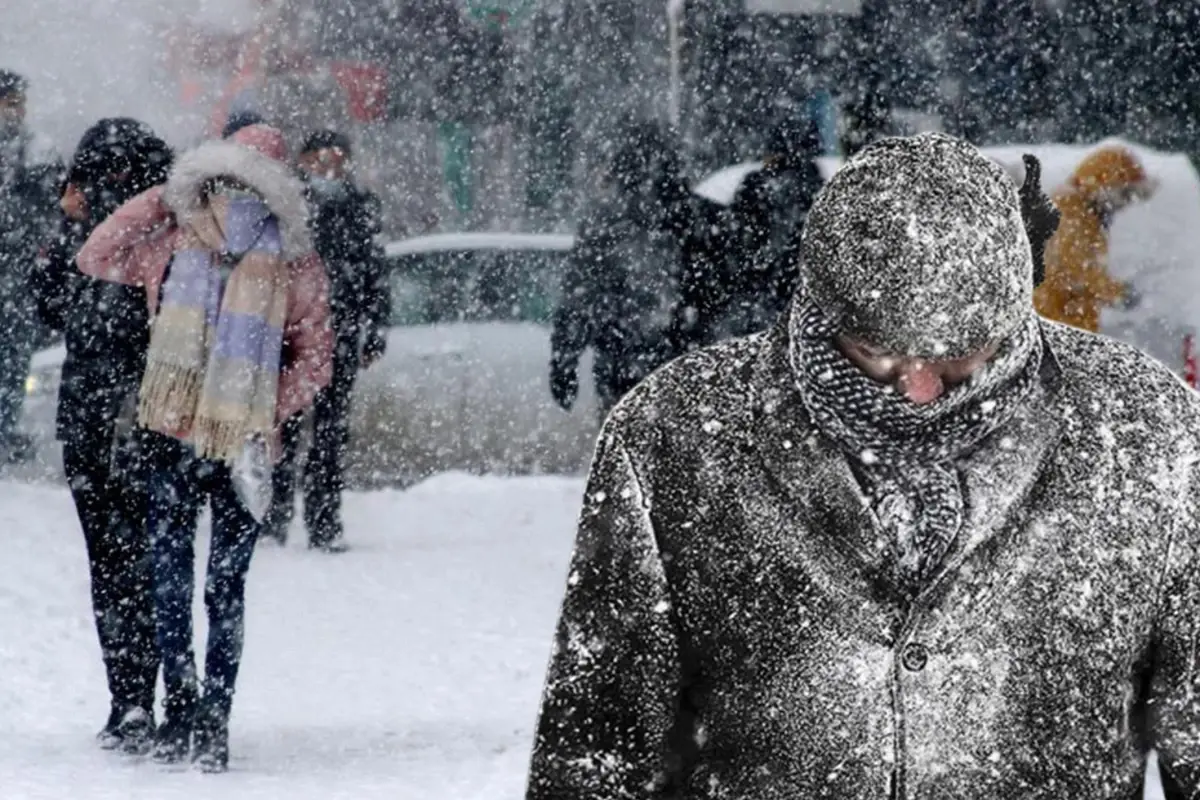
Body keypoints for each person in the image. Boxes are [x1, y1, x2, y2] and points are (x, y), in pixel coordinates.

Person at [527, 133, 1200, 797]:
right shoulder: (676, 435)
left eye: (957, 355)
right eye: (877, 353)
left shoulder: (1146, 431)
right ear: (824, 313)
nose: (920, 388)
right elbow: (601, 744)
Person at [77, 123, 332, 772]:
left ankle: (189, 710)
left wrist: (164, 197)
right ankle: (210, 717)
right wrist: (262, 406)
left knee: (175, 580)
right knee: (222, 587)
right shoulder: (288, 256)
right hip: (236, 446)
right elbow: (316, 359)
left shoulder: (176, 239)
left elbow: (97, 253)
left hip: (180, 438)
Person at [30, 118, 172, 754]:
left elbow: (52, 307)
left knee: (127, 565)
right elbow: (48, 307)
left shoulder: (157, 236)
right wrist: (66, 226)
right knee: (129, 563)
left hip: (133, 418)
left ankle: (139, 695)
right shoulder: (102, 235)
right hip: (115, 420)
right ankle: (138, 696)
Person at [262, 129, 389, 551]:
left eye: (339, 159)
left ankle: (324, 521)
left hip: (340, 333)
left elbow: (376, 272)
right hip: (292, 336)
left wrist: (374, 330)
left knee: (331, 435)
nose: (330, 168)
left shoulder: (360, 208)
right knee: (285, 429)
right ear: (304, 161)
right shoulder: (287, 207)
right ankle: (274, 516)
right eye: (322, 159)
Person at [549, 121, 695, 418]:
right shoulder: (693, 219)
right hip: (684, 370)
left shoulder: (605, 223)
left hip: (622, 369)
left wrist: (564, 362)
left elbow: (580, 299)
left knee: (625, 453)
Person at [0, 69, 61, 460]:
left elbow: (49, 210)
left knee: (13, 354)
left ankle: (4, 428)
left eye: (19, 102)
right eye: (10, 101)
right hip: (15, 266)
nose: (16, 110)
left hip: (17, 271)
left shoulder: (39, 149)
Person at [1034, 144, 1155, 333]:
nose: (1125, 204)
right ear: (1102, 186)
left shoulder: (1084, 212)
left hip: (1064, 321)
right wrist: (1118, 293)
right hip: (1058, 320)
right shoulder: (1072, 214)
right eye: (1124, 194)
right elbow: (1078, 269)